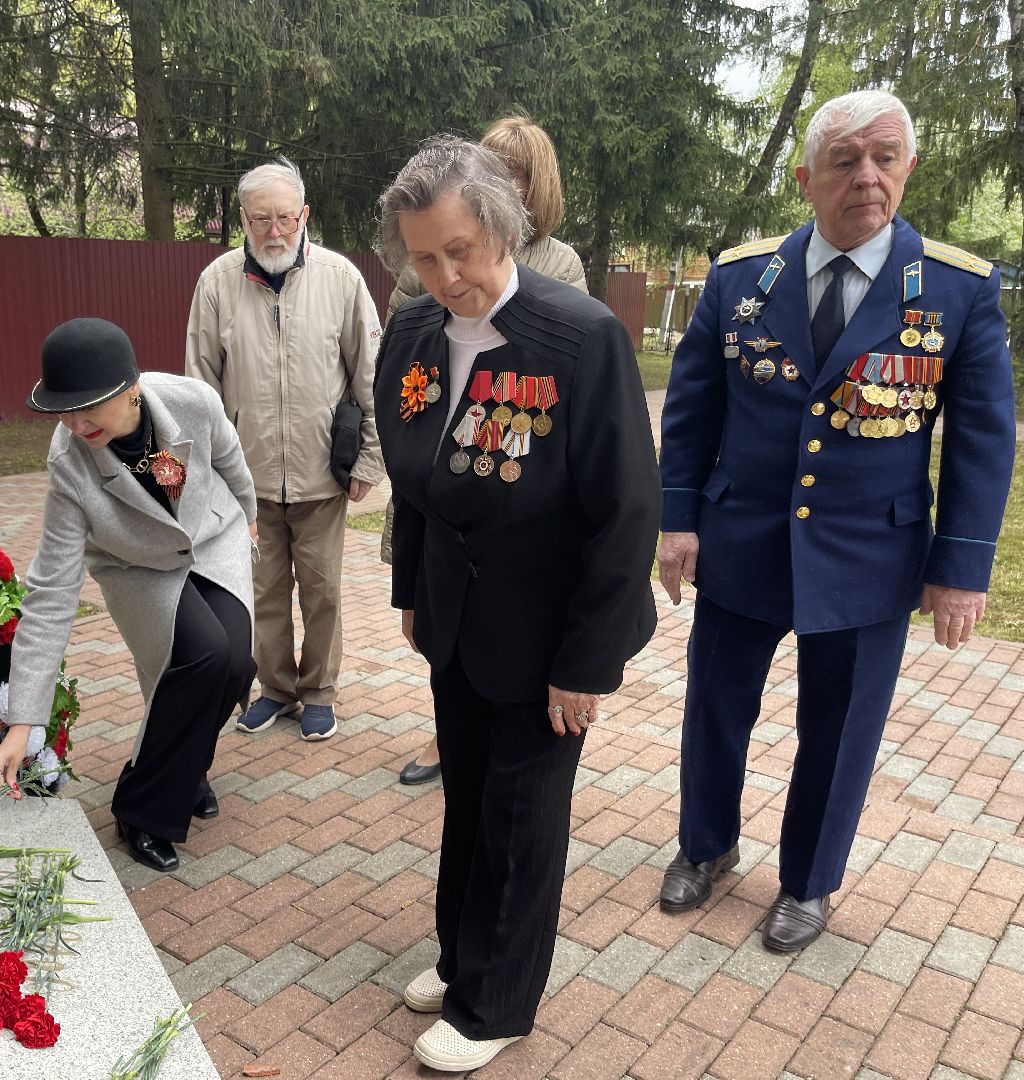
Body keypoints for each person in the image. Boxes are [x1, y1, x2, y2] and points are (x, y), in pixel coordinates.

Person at [657, 89, 1014, 953]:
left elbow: (981, 437)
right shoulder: (743, 279)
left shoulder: (957, 292)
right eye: (846, 159)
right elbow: (692, 408)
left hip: (869, 551)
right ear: (804, 177)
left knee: (841, 724)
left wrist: (961, 565)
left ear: (908, 169)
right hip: (742, 537)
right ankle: (706, 846)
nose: (867, 176)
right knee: (715, 705)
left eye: (885, 158)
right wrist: (677, 520)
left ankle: (809, 883)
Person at [374, 137, 659, 1073]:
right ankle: (462, 959)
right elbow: (415, 488)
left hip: (550, 635)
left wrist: (590, 662)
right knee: (468, 799)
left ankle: (497, 1005)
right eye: (423, 256)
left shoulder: (580, 338)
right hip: (455, 619)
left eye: (460, 249)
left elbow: (626, 514)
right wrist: (412, 592)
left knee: (524, 814)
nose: (445, 274)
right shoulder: (411, 336)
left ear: (501, 226)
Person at [0, 318, 258, 873]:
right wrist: (24, 720)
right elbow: (53, 590)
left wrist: (250, 518)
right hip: (135, 563)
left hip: (211, 535)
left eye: (90, 406)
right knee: (201, 655)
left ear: (131, 388)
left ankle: (188, 770)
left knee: (235, 661)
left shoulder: (193, 402)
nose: (76, 422)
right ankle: (141, 810)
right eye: (64, 409)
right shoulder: (69, 463)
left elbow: (230, 460)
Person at [383, 114, 588, 787]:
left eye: (516, 174)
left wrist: (586, 660)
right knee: (446, 625)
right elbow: (408, 360)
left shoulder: (559, 272)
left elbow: (568, 407)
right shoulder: (429, 275)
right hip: (441, 473)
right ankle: (450, 733)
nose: (447, 273)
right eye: (491, 167)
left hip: (515, 475)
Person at [185, 156, 384, 742]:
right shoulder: (216, 283)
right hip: (245, 482)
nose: (275, 231)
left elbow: (370, 375)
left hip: (324, 475)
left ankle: (318, 692)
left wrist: (370, 457)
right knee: (263, 594)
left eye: (285, 219)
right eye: (261, 220)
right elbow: (199, 387)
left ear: (305, 216)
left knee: (322, 593)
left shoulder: (341, 279)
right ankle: (276, 689)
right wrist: (210, 475)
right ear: (243, 220)